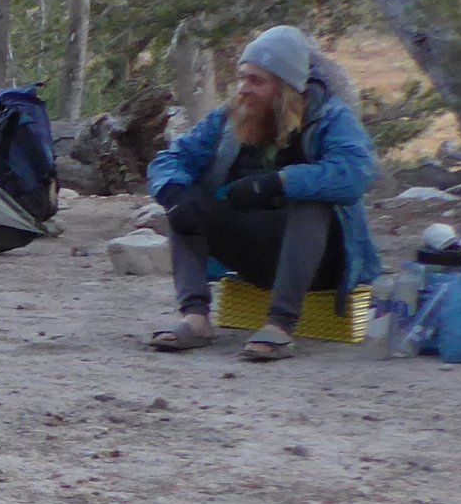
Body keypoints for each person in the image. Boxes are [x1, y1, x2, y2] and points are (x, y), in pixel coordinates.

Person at [145, 25, 379, 361]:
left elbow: (355, 173)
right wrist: (172, 193)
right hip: (258, 256)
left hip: (324, 263)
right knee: (184, 199)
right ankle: (195, 319)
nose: (243, 89)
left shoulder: (330, 117)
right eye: (242, 77)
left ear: (285, 87)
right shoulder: (229, 117)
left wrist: (278, 183)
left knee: (312, 203)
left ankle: (280, 325)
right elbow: (172, 158)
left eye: (256, 80)